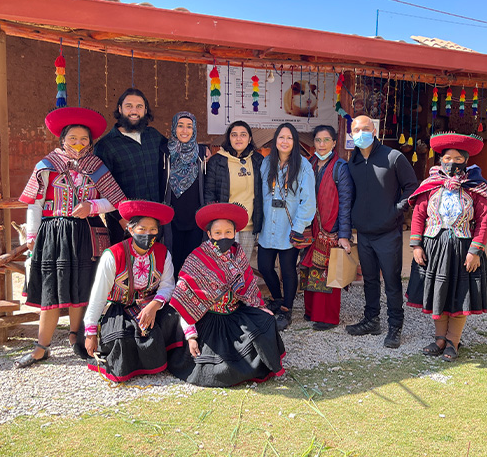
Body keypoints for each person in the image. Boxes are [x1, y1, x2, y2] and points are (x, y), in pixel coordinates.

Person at [15, 107, 126, 368]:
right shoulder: (46, 166)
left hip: (85, 233)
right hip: (53, 234)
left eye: (84, 139)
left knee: (81, 286)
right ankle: (42, 346)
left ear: (91, 142)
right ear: (62, 139)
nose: (79, 143)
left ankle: (76, 340)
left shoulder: (96, 167)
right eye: (73, 138)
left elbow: (115, 200)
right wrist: (32, 235)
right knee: (51, 289)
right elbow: (34, 202)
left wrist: (92, 207)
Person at [167, 203, 285, 387]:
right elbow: (184, 300)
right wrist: (190, 336)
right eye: (218, 233)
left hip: (235, 314)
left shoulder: (238, 255)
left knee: (267, 321)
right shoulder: (197, 259)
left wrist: (261, 309)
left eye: (228, 233)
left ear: (235, 233)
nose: (224, 237)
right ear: (209, 234)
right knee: (216, 364)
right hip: (208, 319)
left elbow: (249, 288)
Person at [406, 132, 487, 361]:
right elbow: (418, 215)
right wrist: (416, 245)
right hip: (433, 247)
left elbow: (484, 221)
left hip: (463, 250)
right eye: (447, 157)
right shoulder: (431, 185)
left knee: (459, 295)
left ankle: (453, 340)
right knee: (437, 293)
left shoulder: (476, 188)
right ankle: (439, 339)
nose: (451, 162)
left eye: (457, 158)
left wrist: (475, 250)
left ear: (466, 161)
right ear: (440, 159)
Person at [83, 200, 182, 382]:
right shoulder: (113, 255)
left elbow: (168, 285)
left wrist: (154, 306)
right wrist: (90, 332)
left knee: (174, 321)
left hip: (151, 305)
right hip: (120, 309)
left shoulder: (162, 253)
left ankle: (162, 361)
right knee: (121, 337)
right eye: (142, 229)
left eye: (153, 230)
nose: (148, 234)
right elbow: (98, 296)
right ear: (130, 229)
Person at [345, 115, 418, 348]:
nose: (360, 134)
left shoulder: (393, 157)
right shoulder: (353, 161)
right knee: (369, 280)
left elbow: (412, 188)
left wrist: (396, 210)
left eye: (365, 129)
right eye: (355, 130)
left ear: (374, 131)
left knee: (392, 282)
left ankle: (395, 326)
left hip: (388, 233)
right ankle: (371, 320)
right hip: (364, 233)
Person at [257, 123, 316, 331]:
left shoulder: (303, 166)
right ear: (275, 140)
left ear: (295, 142)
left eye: (289, 138)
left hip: (289, 226)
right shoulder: (266, 163)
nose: (284, 141)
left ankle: (286, 309)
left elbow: (308, 201)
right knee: (264, 266)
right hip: (268, 226)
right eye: (281, 137)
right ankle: (277, 297)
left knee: (288, 270)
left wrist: (299, 227)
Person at [94, 88, 166, 245]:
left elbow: (177, 151)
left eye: (139, 106)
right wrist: (122, 220)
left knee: (155, 265)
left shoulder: (154, 136)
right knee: (125, 267)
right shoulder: (105, 145)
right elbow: (102, 187)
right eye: (129, 106)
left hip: (155, 222)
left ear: (146, 110)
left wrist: (202, 150)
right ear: (120, 109)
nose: (134, 111)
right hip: (125, 225)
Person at [299, 125, 354, 330]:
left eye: (326, 140)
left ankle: (328, 318)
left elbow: (346, 203)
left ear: (333, 142)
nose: (322, 145)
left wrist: (344, 234)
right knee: (310, 270)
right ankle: (311, 311)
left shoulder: (341, 167)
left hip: (331, 229)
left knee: (328, 273)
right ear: (313, 143)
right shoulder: (309, 164)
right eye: (318, 140)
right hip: (311, 227)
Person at [204, 120, 264, 262]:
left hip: (249, 224)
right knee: (224, 264)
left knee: (243, 264)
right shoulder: (217, 161)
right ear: (229, 138)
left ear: (249, 139)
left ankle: (242, 285)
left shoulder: (258, 160)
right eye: (234, 135)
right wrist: (214, 222)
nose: (238, 138)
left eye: (243, 135)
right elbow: (209, 193)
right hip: (226, 225)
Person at [161, 111, 208, 277]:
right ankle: (172, 296)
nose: (185, 130)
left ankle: (189, 297)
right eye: (180, 125)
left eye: (189, 126)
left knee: (193, 260)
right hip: (172, 217)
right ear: (174, 128)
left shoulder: (201, 153)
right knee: (172, 258)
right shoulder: (164, 152)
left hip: (195, 217)